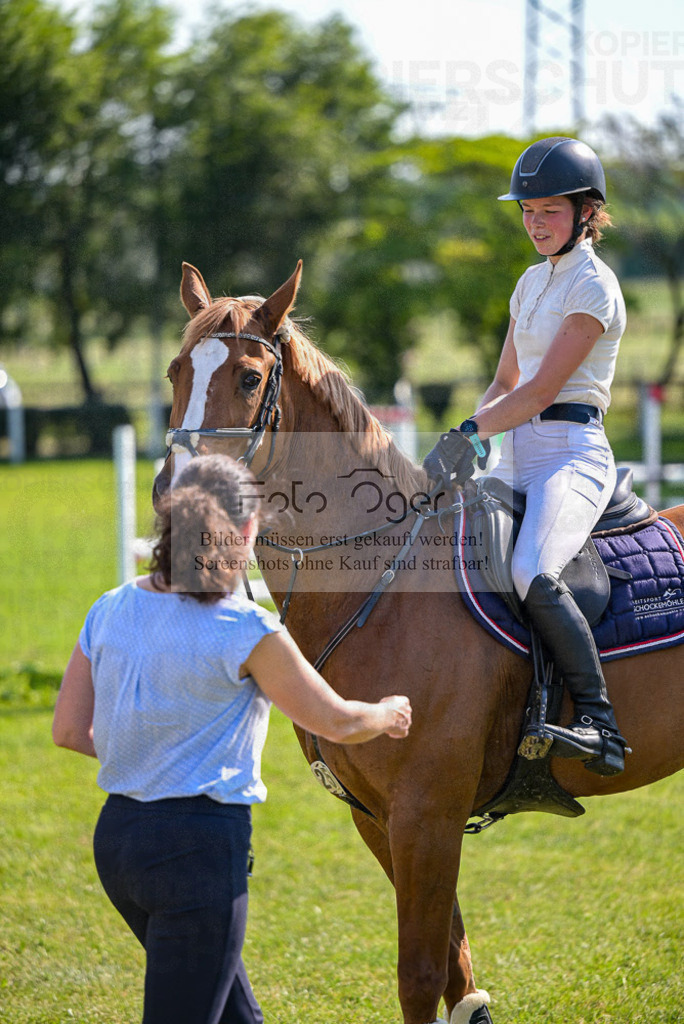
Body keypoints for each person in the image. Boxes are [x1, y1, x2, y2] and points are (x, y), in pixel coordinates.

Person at [52, 454, 412, 1024]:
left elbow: (70, 730)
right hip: (196, 855)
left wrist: (151, 749)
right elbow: (338, 722)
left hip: (118, 845)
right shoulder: (247, 628)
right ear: (247, 530)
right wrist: (389, 712)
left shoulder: (109, 607)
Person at [424, 136, 628, 777]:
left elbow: (543, 390)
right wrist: (473, 443)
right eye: (527, 211)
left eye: (549, 211)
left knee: (532, 572)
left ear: (585, 213)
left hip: (572, 455)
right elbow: (507, 381)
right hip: (515, 452)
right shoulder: (529, 282)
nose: (536, 223)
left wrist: (471, 432)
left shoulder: (595, 286)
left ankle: (599, 721)